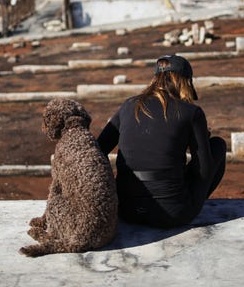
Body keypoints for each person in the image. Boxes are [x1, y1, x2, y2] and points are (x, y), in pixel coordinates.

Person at [97, 54, 226, 228]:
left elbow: (97, 149)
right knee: (217, 145)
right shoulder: (191, 112)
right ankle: (190, 203)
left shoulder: (129, 105)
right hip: (172, 214)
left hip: (125, 210)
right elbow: (204, 170)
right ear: (185, 82)